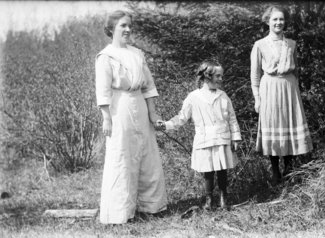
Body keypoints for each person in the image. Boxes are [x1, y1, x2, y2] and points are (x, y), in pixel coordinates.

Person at [95, 10, 167, 224]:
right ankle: (120, 212)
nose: (127, 30)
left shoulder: (137, 53)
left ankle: (151, 206)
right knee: (122, 156)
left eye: (129, 26)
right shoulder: (105, 56)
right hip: (120, 108)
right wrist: (106, 117)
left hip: (140, 106)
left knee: (147, 154)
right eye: (122, 26)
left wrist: (152, 112)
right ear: (111, 29)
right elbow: (103, 90)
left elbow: (149, 85)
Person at [157, 61, 242, 210]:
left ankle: (223, 199)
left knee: (222, 170)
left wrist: (235, 136)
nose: (221, 79)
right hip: (204, 139)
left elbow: (232, 118)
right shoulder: (193, 97)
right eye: (217, 76)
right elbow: (182, 117)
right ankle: (208, 200)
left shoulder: (223, 96)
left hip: (221, 138)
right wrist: (167, 124)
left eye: (221, 76)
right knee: (208, 171)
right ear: (207, 76)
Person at [250, 5, 313, 185]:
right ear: (268, 21)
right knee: (273, 125)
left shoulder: (291, 44)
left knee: (289, 124)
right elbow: (255, 75)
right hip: (269, 88)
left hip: (289, 88)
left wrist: (296, 90)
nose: (278, 23)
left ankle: (290, 170)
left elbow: (297, 70)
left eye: (281, 19)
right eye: (275, 19)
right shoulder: (259, 45)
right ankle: (275, 172)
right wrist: (257, 98)